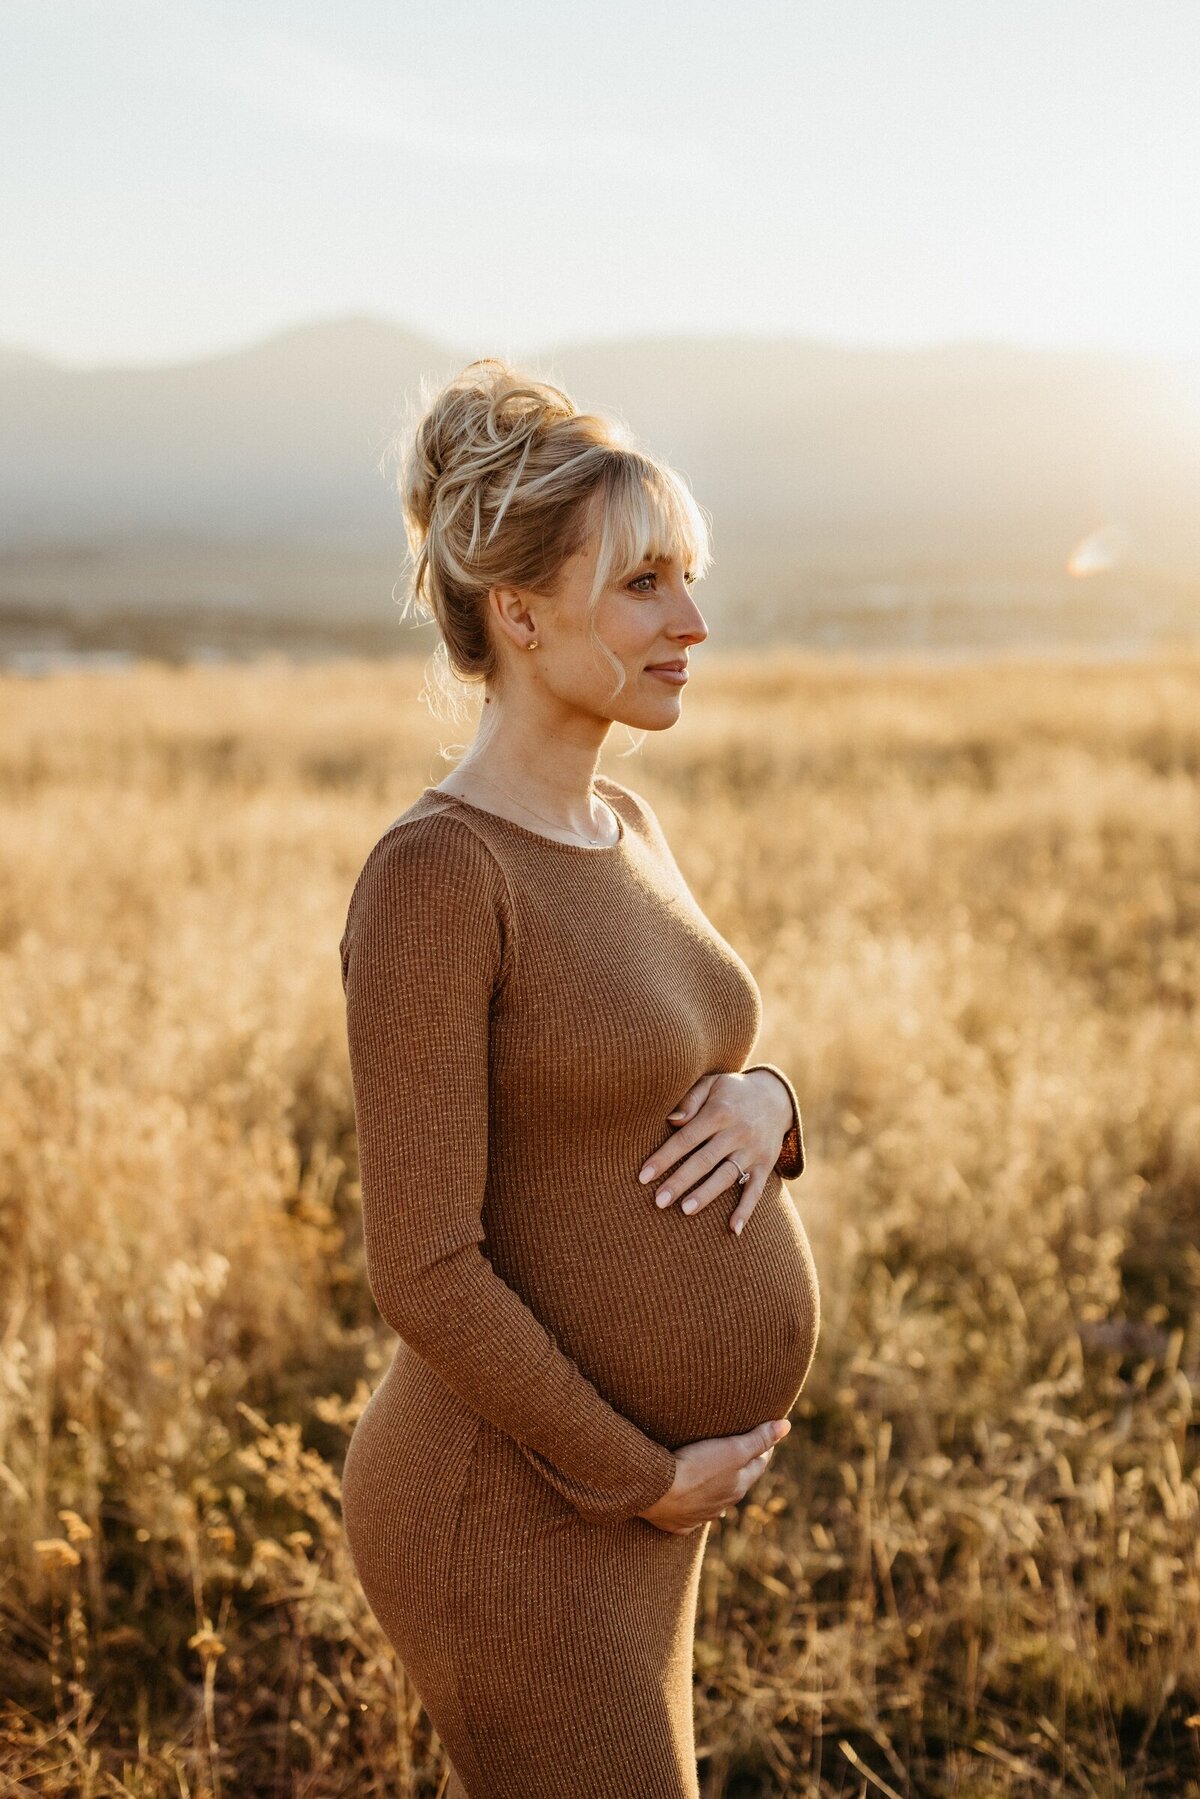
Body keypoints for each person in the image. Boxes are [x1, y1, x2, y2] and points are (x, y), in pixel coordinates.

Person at [338, 358, 820, 1799]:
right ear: (522, 611)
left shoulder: (624, 822)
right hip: (510, 1511)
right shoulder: (439, 875)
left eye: (691, 577)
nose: (694, 621)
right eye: (646, 584)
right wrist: (634, 1473)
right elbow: (422, 1270)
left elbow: (691, 1056)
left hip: (639, 1507)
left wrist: (773, 1102)